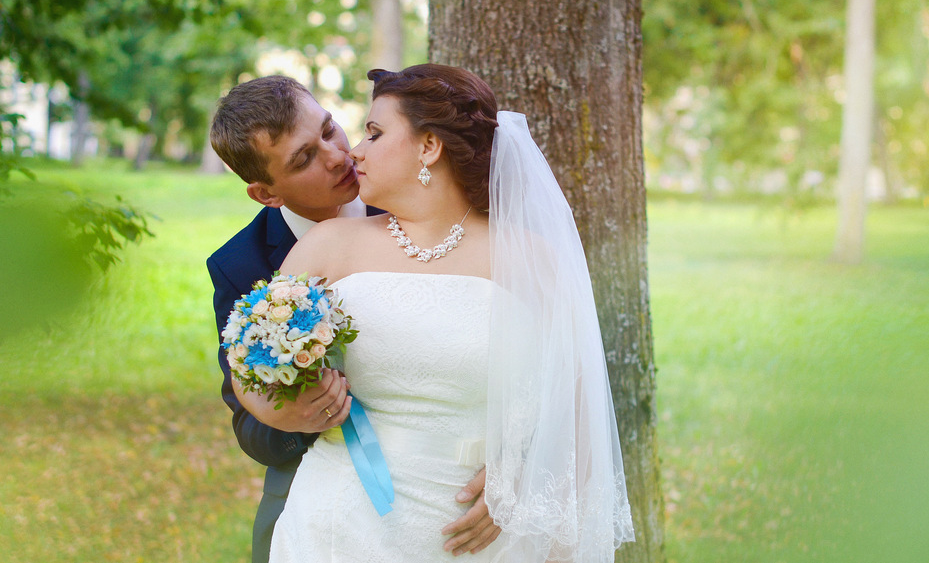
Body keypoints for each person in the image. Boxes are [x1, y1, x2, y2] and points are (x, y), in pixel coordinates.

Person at [234, 64, 634, 562]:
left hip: (482, 530)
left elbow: (578, 412)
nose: (353, 151)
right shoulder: (328, 246)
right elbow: (250, 365)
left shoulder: (530, 259)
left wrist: (524, 476)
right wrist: (291, 409)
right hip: (339, 524)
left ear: (429, 147)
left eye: (374, 133)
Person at [207, 75, 497, 562]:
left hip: (458, 473)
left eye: (329, 130)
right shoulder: (241, 264)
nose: (338, 156)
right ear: (266, 195)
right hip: (322, 473)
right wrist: (297, 416)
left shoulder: (416, 192)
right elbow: (246, 410)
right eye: (304, 159)